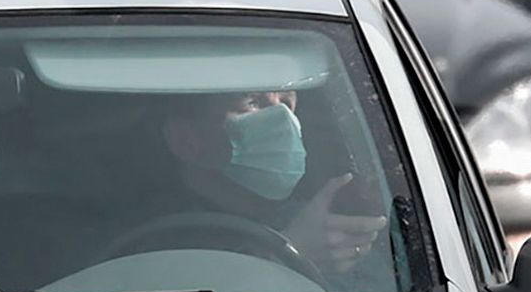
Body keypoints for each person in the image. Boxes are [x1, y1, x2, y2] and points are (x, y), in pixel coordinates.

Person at [158, 90, 387, 275]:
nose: (283, 119)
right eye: (253, 102)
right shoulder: (153, 243)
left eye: (287, 103)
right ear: (185, 139)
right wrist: (285, 257)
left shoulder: (324, 224)